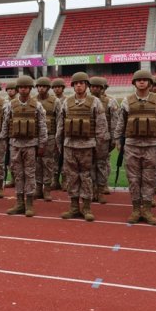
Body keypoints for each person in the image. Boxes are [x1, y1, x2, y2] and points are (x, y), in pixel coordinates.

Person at [114, 70, 156, 225]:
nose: (141, 82)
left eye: (145, 80)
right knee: (133, 179)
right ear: (134, 83)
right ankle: (135, 209)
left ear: (150, 83)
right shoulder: (127, 101)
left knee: (149, 179)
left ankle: (146, 210)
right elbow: (121, 123)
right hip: (132, 145)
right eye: (138, 80)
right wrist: (118, 142)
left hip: (151, 146)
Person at [55, 72, 108, 221]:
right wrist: (60, 145)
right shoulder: (66, 103)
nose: (79, 85)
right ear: (72, 86)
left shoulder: (95, 102)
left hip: (87, 146)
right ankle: (73, 207)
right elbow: (61, 125)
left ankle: (86, 208)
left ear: (86, 86)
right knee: (71, 177)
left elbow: (101, 127)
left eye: (82, 83)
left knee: (86, 177)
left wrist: (99, 148)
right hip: (70, 146)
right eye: (76, 83)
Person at [0, 76, 47, 216]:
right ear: (18, 89)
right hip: (15, 144)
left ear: (30, 89)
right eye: (21, 87)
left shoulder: (37, 105)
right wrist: (4, 141)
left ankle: (29, 204)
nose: (23, 89)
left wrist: (42, 144)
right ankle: (19, 203)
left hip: (31, 145)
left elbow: (42, 125)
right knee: (18, 174)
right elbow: (5, 123)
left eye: (26, 87)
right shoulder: (10, 105)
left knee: (30, 174)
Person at [89, 77, 118, 204]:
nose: (94, 89)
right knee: (89, 166)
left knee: (101, 165)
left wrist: (113, 139)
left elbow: (115, 121)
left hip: (103, 139)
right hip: (88, 138)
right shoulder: (86, 101)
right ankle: (91, 190)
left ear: (102, 88)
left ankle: (100, 190)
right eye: (92, 86)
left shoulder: (110, 101)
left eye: (97, 87)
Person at [34, 77, 62, 201]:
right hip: (35, 137)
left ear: (48, 88)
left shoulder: (55, 101)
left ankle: (47, 189)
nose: (41, 88)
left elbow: (59, 120)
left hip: (50, 136)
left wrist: (57, 138)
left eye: (43, 86)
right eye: (39, 86)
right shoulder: (33, 101)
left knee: (48, 163)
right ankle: (38, 188)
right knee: (36, 164)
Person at [50, 77, 67, 190]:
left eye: (59, 87)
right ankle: (55, 180)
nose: (57, 89)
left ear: (63, 88)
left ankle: (64, 180)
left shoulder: (67, 100)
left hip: (64, 133)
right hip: (52, 133)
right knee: (54, 158)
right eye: (55, 87)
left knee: (65, 157)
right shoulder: (51, 101)